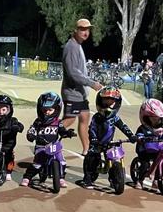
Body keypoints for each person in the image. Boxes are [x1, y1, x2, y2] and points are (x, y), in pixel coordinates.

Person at [61, 18, 103, 155]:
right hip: (72, 92)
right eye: (82, 29)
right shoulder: (71, 47)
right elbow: (73, 73)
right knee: (69, 119)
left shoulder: (78, 45)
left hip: (80, 93)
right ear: (75, 30)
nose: (86, 32)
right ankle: (48, 138)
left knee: (85, 117)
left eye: (88, 29)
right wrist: (92, 83)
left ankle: (87, 149)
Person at [81, 87, 137, 189]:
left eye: (111, 102)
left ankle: (114, 179)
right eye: (105, 101)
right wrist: (93, 139)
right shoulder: (96, 117)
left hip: (109, 143)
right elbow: (92, 129)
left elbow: (123, 126)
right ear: (99, 101)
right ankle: (87, 179)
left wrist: (131, 135)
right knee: (92, 157)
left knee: (114, 157)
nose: (107, 104)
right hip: (97, 143)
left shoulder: (115, 118)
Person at [21, 92, 75, 188]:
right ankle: (27, 177)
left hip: (55, 145)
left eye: (50, 110)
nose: (47, 112)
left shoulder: (58, 122)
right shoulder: (38, 122)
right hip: (41, 147)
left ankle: (61, 178)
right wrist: (31, 135)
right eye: (44, 110)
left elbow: (62, 131)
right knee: (37, 164)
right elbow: (32, 129)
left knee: (62, 161)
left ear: (56, 109)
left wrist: (68, 133)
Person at [133, 99, 163, 190]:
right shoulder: (143, 128)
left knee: (161, 159)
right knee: (145, 164)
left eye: (159, 118)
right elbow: (139, 135)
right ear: (146, 117)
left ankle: (156, 180)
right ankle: (140, 180)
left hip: (156, 149)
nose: (157, 120)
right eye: (154, 118)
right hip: (144, 150)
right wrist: (140, 137)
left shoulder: (160, 129)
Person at [0, 95, 24, 182]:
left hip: (8, 144)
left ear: (9, 110)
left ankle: (8, 172)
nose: (1, 112)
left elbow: (21, 126)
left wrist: (17, 127)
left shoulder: (13, 120)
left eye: (3, 110)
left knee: (9, 158)